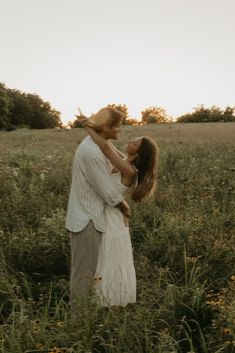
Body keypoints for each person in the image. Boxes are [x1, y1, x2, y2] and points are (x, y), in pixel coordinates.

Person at [77, 110, 158, 307]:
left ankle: (109, 301)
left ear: (138, 153)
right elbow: (108, 144)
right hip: (107, 212)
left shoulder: (129, 170)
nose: (130, 142)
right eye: (133, 139)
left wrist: (87, 126)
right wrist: (94, 124)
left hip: (111, 216)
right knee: (102, 256)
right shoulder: (124, 161)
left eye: (135, 143)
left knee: (108, 256)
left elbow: (105, 146)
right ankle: (100, 298)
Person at [66, 107, 130, 314]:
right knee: (83, 275)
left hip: (92, 217)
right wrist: (124, 206)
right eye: (117, 125)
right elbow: (108, 193)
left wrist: (89, 125)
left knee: (90, 273)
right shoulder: (92, 152)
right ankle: (79, 324)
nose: (120, 129)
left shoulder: (98, 145)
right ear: (106, 128)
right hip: (86, 219)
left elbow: (106, 144)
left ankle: (86, 318)